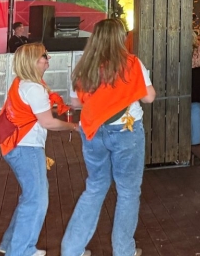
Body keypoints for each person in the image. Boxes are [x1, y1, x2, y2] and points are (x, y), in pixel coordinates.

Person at [61, 18, 157, 256]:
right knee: (127, 191)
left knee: (95, 187)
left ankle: (71, 249)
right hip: (126, 131)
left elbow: (75, 102)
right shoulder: (132, 63)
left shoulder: (84, 65)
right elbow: (149, 97)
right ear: (120, 38)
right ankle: (124, 251)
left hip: (93, 131)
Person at [0, 44, 77, 256]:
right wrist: (74, 127)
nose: (48, 59)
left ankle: (10, 244)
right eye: (44, 56)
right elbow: (48, 122)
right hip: (26, 148)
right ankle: (21, 251)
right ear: (33, 61)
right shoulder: (34, 88)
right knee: (37, 200)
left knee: (30, 196)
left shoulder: (21, 83)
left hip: (15, 146)